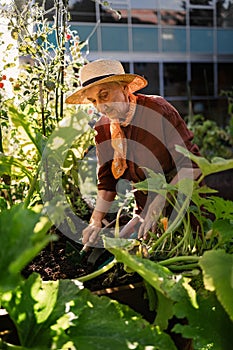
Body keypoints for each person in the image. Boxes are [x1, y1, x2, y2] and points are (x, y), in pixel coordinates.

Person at [65, 59, 201, 246]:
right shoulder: (103, 129)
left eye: (104, 95)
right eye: (93, 101)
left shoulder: (157, 110)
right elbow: (107, 183)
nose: (100, 107)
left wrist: (161, 200)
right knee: (118, 252)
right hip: (146, 216)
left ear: (124, 88)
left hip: (186, 208)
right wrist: (95, 220)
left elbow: (192, 166)